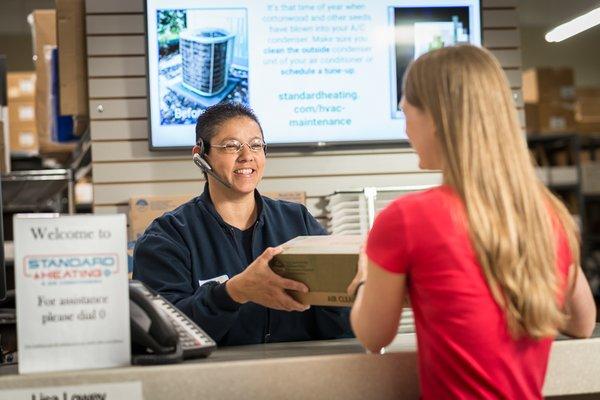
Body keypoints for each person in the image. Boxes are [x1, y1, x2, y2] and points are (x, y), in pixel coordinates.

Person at [348, 45, 596, 399]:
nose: (406, 131)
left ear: (435, 117)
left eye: (406, 113)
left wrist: (364, 280)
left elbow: (373, 336)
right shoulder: (546, 214)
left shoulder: (406, 219)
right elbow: (582, 323)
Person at [133, 102, 352, 346]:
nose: (247, 156)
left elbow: (340, 325)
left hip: (300, 374)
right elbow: (163, 334)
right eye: (231, 146)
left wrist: (349, 289)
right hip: (211, 381)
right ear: (201, 155)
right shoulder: (167, 237)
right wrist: (231, 293)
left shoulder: (298, 221)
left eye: (256, 145)